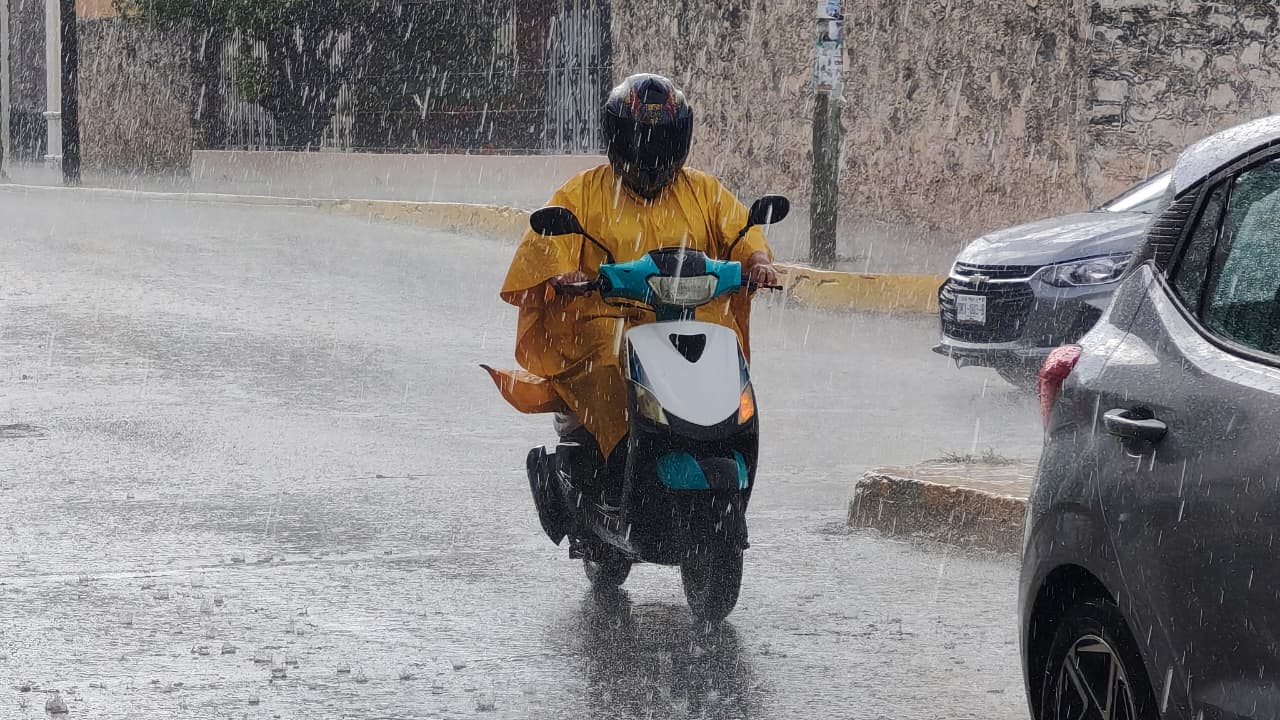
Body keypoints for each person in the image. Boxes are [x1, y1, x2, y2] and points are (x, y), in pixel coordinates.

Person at [488, 73, 778, 494]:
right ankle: (615, 470)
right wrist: (563, 274)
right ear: (618, 138)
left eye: (663, 141)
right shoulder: (583, 192)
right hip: (608, 320)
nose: (653, 152)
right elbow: (550, 241)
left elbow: (739, 230)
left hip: (688, 319)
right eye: (643, 139)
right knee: (608, 361)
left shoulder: (703, 191)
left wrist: (758, 260)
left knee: (725, 362)